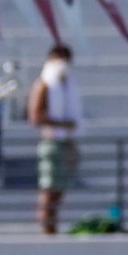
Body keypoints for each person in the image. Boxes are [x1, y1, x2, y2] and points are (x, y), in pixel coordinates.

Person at [27, 44, 83, 233]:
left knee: (59, 191)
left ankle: (52, 227)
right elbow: (35, 116)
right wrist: (63, 124)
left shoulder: (66, 84)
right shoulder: (43, 83)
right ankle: (46, 229)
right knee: (49, 191)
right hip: (52, 141)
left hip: (66, 142)